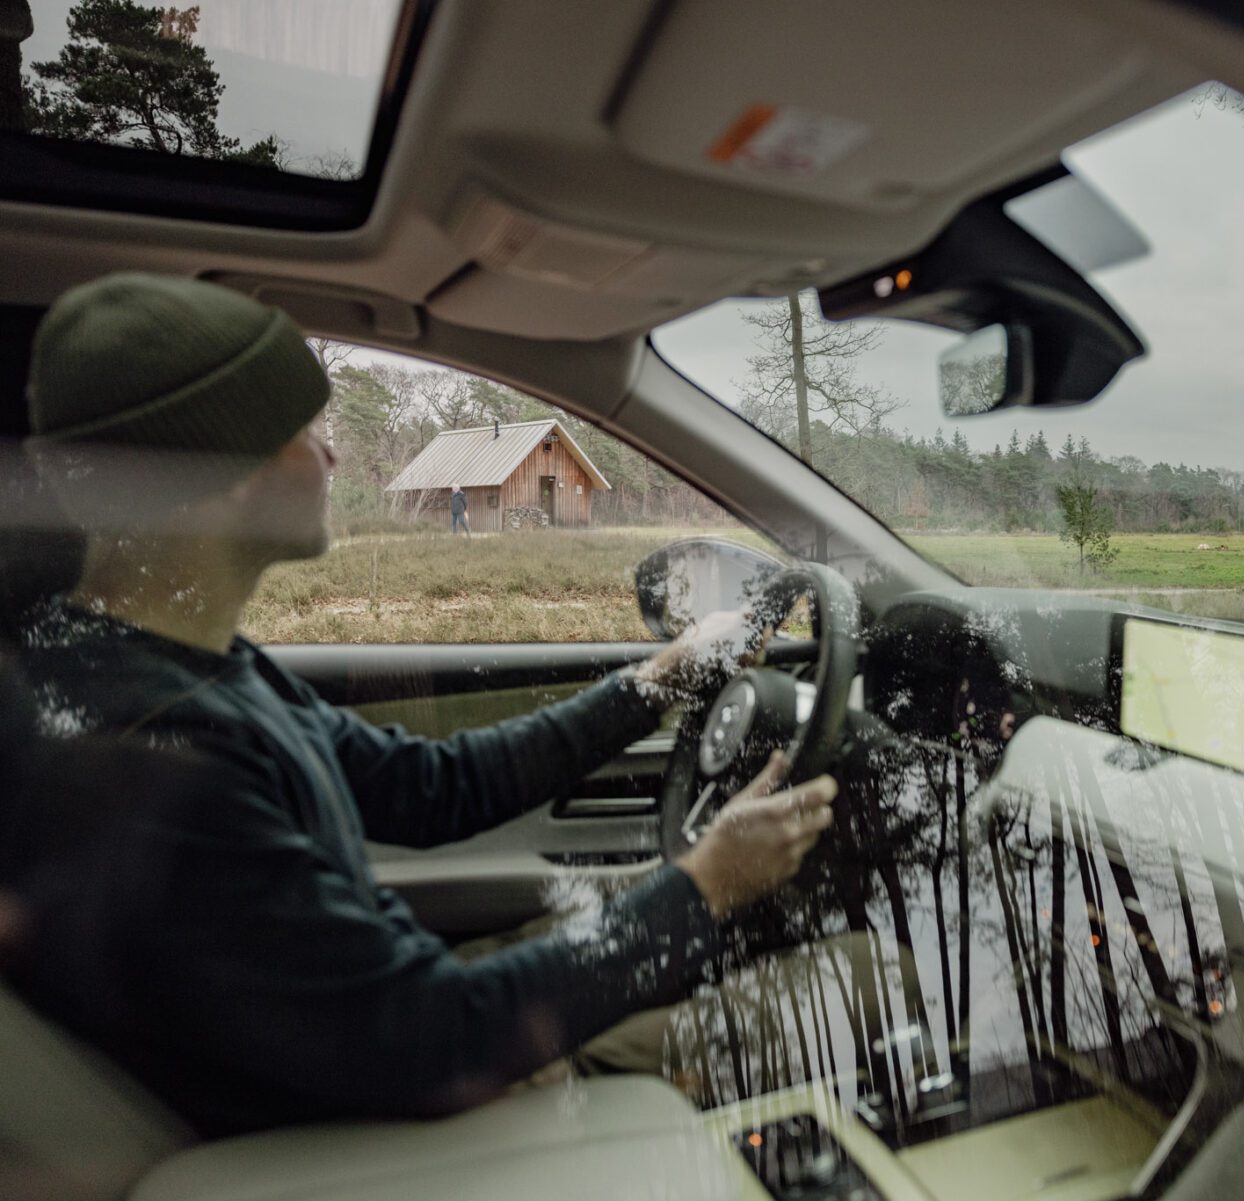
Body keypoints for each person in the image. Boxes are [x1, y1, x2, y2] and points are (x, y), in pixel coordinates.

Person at [9, 273, 837, 1138]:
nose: (333, 456)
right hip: (402, 1119)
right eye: (309, 428)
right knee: (856, 980)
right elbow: (438, 1041)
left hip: (382, 1028)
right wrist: (705, 886)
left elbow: (434, 787)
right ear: (223, 472)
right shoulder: (151, 755)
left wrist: (658, 678)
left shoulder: (171, 665)